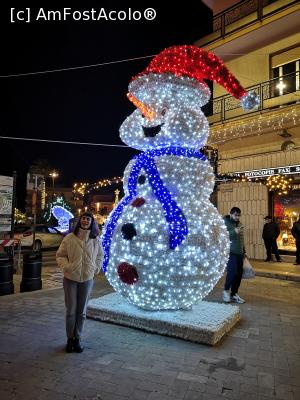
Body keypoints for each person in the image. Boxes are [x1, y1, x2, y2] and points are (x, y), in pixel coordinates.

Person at [56, 212, 102, 353]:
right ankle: (70, 339)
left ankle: (78, 339)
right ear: (79, 221)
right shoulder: (70, 238)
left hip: (87, 279)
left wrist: (96, 268)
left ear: (91, 222)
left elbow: (100, 255)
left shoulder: (95, 239)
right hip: (70, 278)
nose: (85, 221)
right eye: (83, 218)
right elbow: (60, 255)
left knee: (81, 312)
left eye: (88, 219)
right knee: (71, 311)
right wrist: (66, 267)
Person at [223, 207, 246, 304]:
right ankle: (226, 291)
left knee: (239, 274)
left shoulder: (240, 224)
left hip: (239, 253)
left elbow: (241, 240)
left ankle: (234, 294)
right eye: (235, 215)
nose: (237, 217)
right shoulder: (225, 223)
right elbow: (223, 236)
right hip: (230, 252)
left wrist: (244, 251)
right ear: (231, 214)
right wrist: (233, 232)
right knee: (232, 272)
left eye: (238, 215)